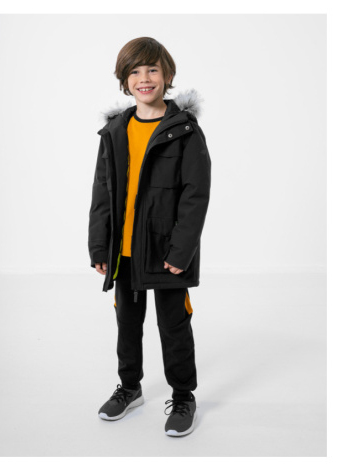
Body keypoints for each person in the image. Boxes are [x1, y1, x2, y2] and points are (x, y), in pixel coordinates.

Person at [88, 37, 211, 437]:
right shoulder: (115, 131)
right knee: (127, 323)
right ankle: (130, 388)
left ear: (167, 75)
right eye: (135, 71)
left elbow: (195, 195)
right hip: (123, 252)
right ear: (125, 80)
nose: (144, 78)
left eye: (152, 69)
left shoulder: (185, 131)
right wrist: (99, 245)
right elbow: (102, 192)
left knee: (174, 325)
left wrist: (181, 250)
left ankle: (183, 395)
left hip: (166, 251)